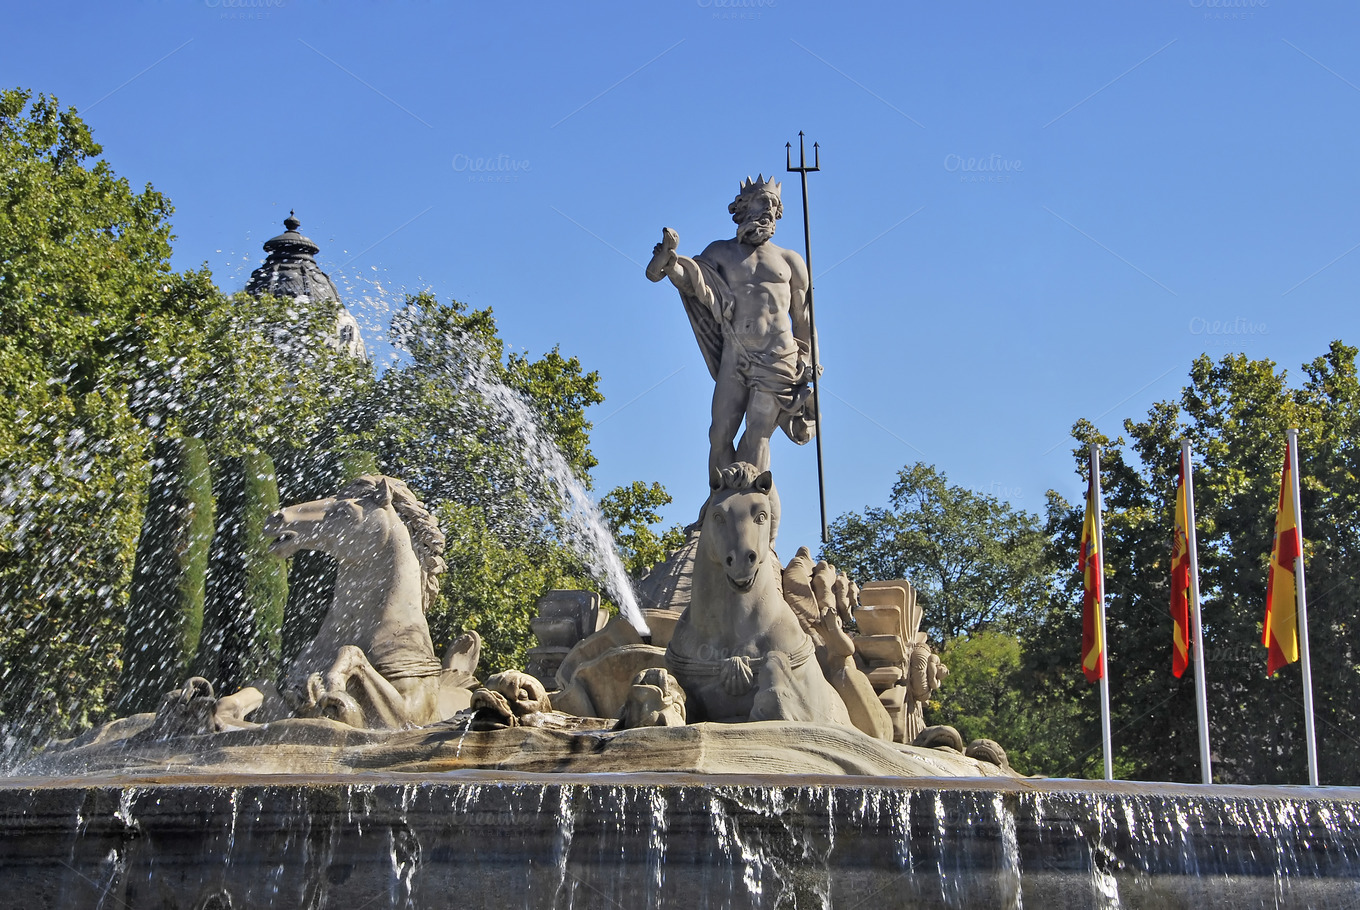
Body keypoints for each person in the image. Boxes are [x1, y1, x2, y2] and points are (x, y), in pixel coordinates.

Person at [647, 175, 818, 473]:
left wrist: (810, 356)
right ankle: (720, 508)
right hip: (736, 354)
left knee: (758, 430)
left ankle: (750, 504)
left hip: (778, 358)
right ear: (744, 206)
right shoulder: (720, 252)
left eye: (774, 204)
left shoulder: (790, 260)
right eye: (763, 201)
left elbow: (803, 318)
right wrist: (672, 264)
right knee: (719, 434)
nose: (770, 209)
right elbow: (695, 282)